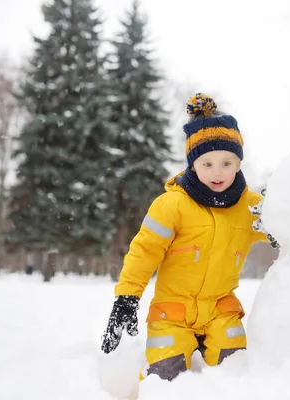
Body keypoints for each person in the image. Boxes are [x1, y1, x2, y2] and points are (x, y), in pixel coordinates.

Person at [101, 93, 268, 381]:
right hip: (172, 315)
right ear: (192, 164)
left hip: (221, 312)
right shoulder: (171, 206)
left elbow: (288, 227)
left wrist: (282, 232)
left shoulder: (251, 206)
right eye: (207, 164)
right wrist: (127, 298)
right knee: (165, 377)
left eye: (227, 163)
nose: (218, 173)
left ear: (239, 164)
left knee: (237, 373)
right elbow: (144, 252)